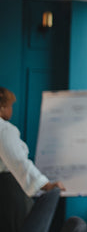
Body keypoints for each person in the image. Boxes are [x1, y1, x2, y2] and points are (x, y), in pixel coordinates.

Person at [0, 87, 66, 232]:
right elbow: (18, 162)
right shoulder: (4, 129)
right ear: (3, 107)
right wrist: (46, 185)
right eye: (10, 106)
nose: (11, 110)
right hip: (8, 193)